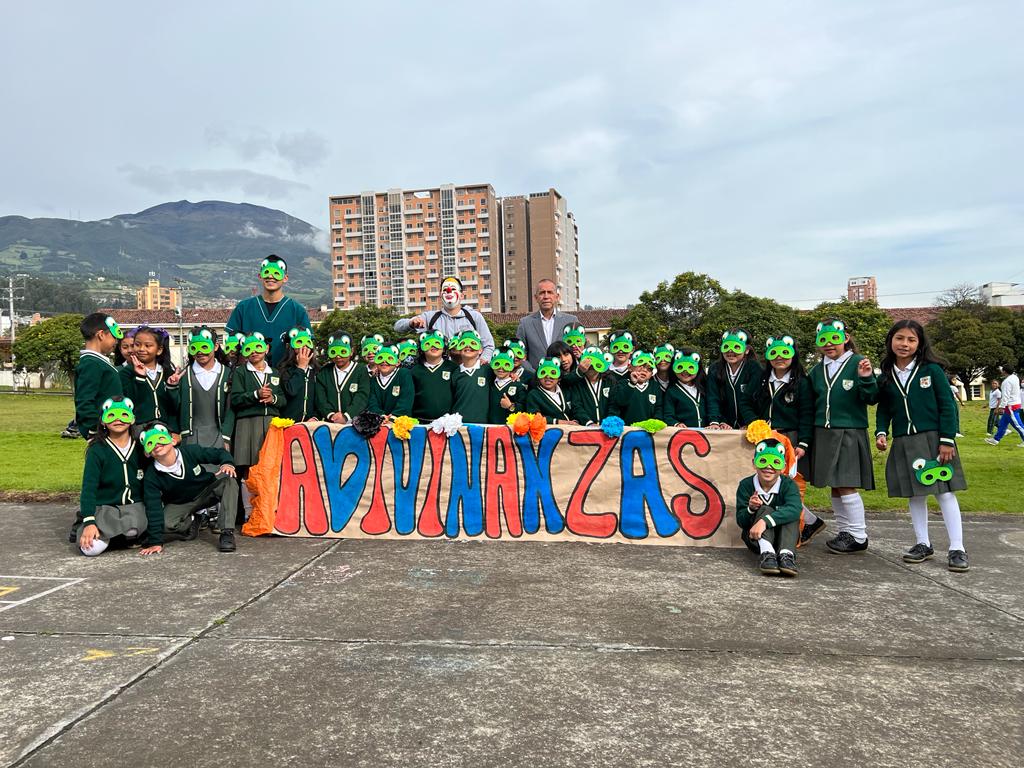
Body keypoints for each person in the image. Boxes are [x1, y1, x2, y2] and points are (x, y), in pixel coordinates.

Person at [875, 320, 969, 572]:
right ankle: (923, 543)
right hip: (905, 441)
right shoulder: (886, 374)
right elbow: (884, 408)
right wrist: (881, 432)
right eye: (899, 338)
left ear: (920, 343)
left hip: (935, 440)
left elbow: (947, 405)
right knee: (915, 494)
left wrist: (947, 440)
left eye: (911, 339)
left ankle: (957, 548)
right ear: (891, 341)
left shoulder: (931, 370)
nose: (904, 344)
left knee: (944, 493)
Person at [807, 319, 878, 554]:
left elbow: (871, 398)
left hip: (849, 431)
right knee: (835, 485)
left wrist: (866, 378)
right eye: (823, 339)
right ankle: (844, 531)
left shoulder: (858, 363)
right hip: (823, 432)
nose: (829, 344)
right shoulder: (817, 370)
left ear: (845, 338)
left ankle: (858, 535)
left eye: (834, 338)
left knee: (846, 483)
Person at [753, 334, 821, 542]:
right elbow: (748, 402)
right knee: (768, 482)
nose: (779, 357)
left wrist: (803, 442)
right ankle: (806, 522)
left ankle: (796, 530)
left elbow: (807, 413)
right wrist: (753, 423)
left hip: (790, 438)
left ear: (793, 354)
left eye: (784, 353)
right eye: (774, 353)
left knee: (789, 485)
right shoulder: (762, 379)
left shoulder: (802, 382)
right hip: (766, 438)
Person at [138, 422, 240, 554]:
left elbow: (219, 453)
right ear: (147, 453)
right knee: (166, 524)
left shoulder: (190, 451)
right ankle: (193, 521)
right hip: (181, 503)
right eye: (150, 443)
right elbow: (153, 508)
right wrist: (156, 542)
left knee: (229, 482)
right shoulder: (151, 476)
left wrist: (227, 463)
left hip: (206, 492)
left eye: (160, 439)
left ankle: (227, 532)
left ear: (173, 441)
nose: (157, 444)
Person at [75, 397, 147, 556]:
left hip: (135, 507)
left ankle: (122, 536)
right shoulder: (97, 449)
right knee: (90, 549)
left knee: (132, 528)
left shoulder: (141, 446)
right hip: (106, 509)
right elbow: (89, 488)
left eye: (124, 415)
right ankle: (104, 532)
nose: (118, 420)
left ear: (132, 419)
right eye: (112, 415)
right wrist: (89, 521)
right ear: (103, 421)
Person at [229, 332, 284, 519]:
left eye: (258, 347)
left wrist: (273, 398)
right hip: (247, 423)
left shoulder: (275, 373)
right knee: (248, 468)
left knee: (269, 467)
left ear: (266, 349)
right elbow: (235, 399)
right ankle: (249, 512)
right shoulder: (241, 372)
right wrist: (255, 395)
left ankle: (268, 510)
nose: (254, 352)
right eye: (249, 348)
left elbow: (283, 399)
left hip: (270, 424)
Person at [225, 255, 311, 367]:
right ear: (260, 276)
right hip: (250, 374)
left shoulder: (297, 310)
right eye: (267, 272)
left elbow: (307, 347)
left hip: (288, 374)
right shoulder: (243, 308)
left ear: (285, 278)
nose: (270, 276)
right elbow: (232, 344)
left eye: (276, 273)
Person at [735, 438, 802, 576]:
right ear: (754, 463)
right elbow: (741, 521)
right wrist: (750, 509)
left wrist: (765, 521)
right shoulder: (746, 485)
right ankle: (767, 553)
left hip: (784, 538)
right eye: (763, 461)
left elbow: (795, 509)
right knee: (765, 509)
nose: (769, 467)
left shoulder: (789, 485)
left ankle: (786, 554)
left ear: (783, 466)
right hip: (756, 539)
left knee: (790, 514)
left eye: (775, 462)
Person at [394, 276, 495, 361]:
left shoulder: (474, 317)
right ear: (440, 295)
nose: (449, 291)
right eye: (445, 290)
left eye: (453, 289)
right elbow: (397, 327)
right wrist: (411, 323)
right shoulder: (430, 317)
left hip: (468, 370)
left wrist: (482, 362)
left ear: (461, 295)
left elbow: (488, 345)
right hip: (440, 371)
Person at [167, 326, 234, 454]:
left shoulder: (228, 374)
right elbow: (173, 408)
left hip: (220, 437)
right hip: (190, 438)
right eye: (195, 348)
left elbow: (231, 409)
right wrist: (172, 387)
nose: (200, 352)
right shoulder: (183, 375)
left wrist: (226, 436)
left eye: (204, 347)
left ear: (216, 346)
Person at [119, 325, 178, 432]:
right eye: (137, 345)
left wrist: (172, 387)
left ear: (159, 350)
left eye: (148, 345)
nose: (141, 349)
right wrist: (140, 378)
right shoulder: (125, 373)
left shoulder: (167, 372)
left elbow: (175, 407)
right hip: (138, 430)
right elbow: (127, 401)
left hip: (165, 430)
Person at [75, 313, 124, 439]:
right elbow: (84, 400)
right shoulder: (91, 363)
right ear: (101, 335)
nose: (116, 342)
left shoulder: (98, 362)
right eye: (114, 337)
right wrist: (94, 428)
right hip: (102, 432)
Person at [515, 279, 580, 371]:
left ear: (557, 297)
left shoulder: (571, 321)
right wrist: (534, 374)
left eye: (550, 292)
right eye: (542, 293)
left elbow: (580, 349)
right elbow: (519, 355)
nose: (546, 296)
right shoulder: (525, 324)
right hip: (535, 377)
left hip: (566, 377)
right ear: (536, 298)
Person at [707, 328, 761, 429]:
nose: (730, 351)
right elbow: (713, 397)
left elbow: (755, 399)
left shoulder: (754, 368)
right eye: (726, 347)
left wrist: (750, 422)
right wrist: (716, 421)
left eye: (736, 347)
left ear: (747, 350)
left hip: (749, 424)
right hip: (724, 425)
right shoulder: (715, 369)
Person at [314, 333, 371, 424]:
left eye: (343, 352)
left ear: (351, 351)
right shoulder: (324, 372)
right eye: (334, 352)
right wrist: (330, 415)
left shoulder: (361, 370)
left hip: (356, 423)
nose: (338, 356)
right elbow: (320, 398)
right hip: (330, 423)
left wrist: (346, 416)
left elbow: (362, 397)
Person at [410, 330, 457, 421]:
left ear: (444, 347)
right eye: (428, 344)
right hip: (421, 421)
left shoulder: (453, 368)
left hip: (447, 422)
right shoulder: (414, 371)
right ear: (421, 349)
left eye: (437, 343)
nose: (433, 346)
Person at [277, 327, 319, 422]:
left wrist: (315, 417)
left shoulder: (316, 371)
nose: (304, 346)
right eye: (299, 342)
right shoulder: (283, 370)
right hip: (288, 423)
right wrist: (301, 367)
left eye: (307, 342)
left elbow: (321, 398)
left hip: (310, 425)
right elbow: (291, 391)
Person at [608, 350, 663, 423]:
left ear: (652, 373)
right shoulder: (622, 384)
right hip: (628, 428)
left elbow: (659, 409)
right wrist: (632, 384)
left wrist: (656, 421)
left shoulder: (655, 387)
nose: (644, 370)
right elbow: (620, 402)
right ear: (630, 367)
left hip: (648, 429)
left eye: (649, 369)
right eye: (641, 366)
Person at [451, 330, 492, 424]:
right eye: (463, 343)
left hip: (483, 424)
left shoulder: (488, 370)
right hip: (459, 424)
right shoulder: (455, 373)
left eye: (473, 343)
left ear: (480, 350)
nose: (468, 346)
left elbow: (503, 377)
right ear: (459, 348)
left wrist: (512, 375)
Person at [366, 344, 415, 421]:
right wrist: (381, 416)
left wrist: (393, 417)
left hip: (400, 422)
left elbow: (406, 399)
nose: (384, 361)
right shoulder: (373, 379)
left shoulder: (404, 374)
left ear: (398, 362)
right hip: (379, 421)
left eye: (390, 358)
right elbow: (372, 402)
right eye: (380, 358)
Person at [524, 357, 577, 424]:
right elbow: (534, 416)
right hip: (548, 429)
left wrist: (576, 420)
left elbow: (576, 408)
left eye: (553, 373)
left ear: (559, 377)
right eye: (543, 373)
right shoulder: (533, 395)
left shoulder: (566, 391)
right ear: (538, 376)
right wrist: (558, 421)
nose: (548, 377)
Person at [663, 349, 707, 428]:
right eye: (680, 367)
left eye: (691, 367)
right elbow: (668, 416)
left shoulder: (704, 387)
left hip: (706, 433)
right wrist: (676, 423)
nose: (685, 371)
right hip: (684, 433)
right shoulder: (671, 391)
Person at [572, 346, 614, 426]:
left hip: (607, 427)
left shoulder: (609, 381)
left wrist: (609, 422)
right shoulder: (577, 383)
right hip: (585, 428)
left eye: (596, 363)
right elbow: (577, 406)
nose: (591, 366)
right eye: (588, 363)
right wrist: (588, 423)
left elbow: (613, 404)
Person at [984, 364, 1024, 446]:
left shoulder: (1006, 382)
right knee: (1003, 423)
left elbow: (1005, 396)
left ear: (1004, 371)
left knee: (1018, 425)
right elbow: (1007, 370)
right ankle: (996, 439)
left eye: (1002, 370)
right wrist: (1001, 368)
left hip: (1010, 405)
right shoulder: (1015, 377)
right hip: (1015, 403)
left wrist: (1001, 407)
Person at [487, 350, 526, 424]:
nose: (501, 368)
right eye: (497, 364)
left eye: (506, 365)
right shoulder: (489, 384)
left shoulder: (518, 386)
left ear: (512, 366)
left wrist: (510, 406)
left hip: (510, 428)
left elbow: (524, 408)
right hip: (489, 427)